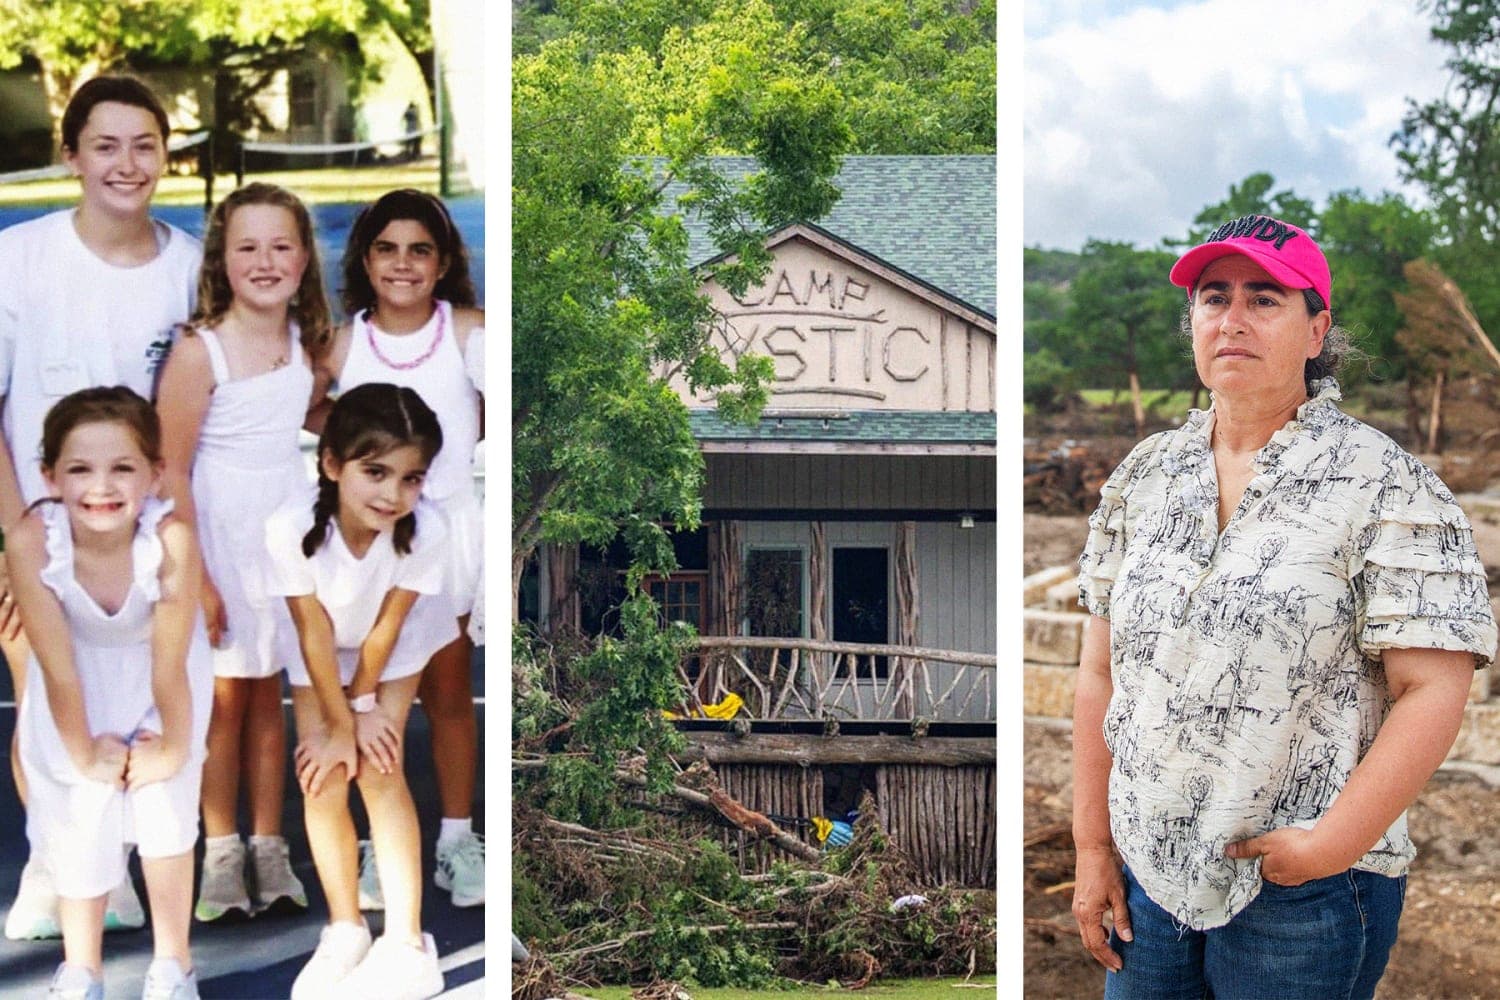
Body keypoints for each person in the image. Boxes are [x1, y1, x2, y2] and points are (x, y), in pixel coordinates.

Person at [1070, 214, 1498, 999]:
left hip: (1302, 889)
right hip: (1149, 876)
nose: (1231, 319)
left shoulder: (1384, 482)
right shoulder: (1146, 476)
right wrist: (1094, 847)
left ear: (1316, 330)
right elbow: (1101, 672)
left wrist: (1331, 844)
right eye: (1212, 298)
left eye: (1264, 299)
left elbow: (1433, 686)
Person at [0, 74, 201, 941]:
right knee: (48, 700)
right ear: (72, 156)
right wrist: (14, 538)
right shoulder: (20, 259)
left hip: (146, 539)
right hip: (40, 538)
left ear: (166, 156)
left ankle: (122, 869)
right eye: (107, 145)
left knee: (147, 708)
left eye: (145, 145)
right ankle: (55, 864)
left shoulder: (192, 268)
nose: (127, 164)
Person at [155, 183, 333, 923]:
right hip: (217, 544)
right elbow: (171, 470)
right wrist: (195, 579)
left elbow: (330, 420)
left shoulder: (306, 345)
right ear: (222, 260)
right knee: (222, 705)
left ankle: (269, 846)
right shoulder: (201, 350)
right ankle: (220, 853)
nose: (265, 261)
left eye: (281, 246)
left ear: (303, 259)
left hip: (283, 539)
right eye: (248, 247)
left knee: (272, 702)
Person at [9, 387, 211, 1000]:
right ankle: (82, 971)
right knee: (79, 814)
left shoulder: (170, 538)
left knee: (165, 811)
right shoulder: (32, 541)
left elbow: (171, 658)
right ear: (49, 477)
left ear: (153, 475)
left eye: (122, 467)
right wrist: (82, 749)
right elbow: (56, 662)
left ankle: (174, 968)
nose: (102, 486)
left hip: (162, 680)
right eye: (80, 469)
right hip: (74, 686)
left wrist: (173, 744)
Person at [317, 188, 485, 910]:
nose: (403, 264)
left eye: (420, 250)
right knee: (363, 697)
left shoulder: (469, 330)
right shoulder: (342, 342)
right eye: (387, 248)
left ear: (443, 261)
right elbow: (307, 417)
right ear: (365, 257)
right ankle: (376, 842)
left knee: (445, 690)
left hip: (442, 538)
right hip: (364, 544)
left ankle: (454, 837)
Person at [267, 383, 455, 999]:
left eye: (411, 478)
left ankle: (407, 944)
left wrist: (365, 709)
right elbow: (312, 631)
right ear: (330, 464)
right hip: (322, 645)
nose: (393, 494)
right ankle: (344, 928)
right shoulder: (289, 528)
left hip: (389, 647)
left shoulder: (427, 531)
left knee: (378, 766)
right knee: (321, 775)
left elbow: (388, 629)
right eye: (375, 472)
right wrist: (338, 724)